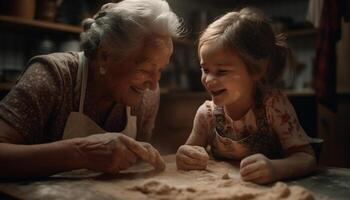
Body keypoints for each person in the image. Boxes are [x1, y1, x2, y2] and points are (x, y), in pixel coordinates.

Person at [0, 0, 183, 179]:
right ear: (105, 56)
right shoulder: (53, 76)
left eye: (160, 70)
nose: (153, 84)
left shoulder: (148, 95)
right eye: (145, 70)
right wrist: (80, 153)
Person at [176, 7, 316, 184]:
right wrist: (185, 155)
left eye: (222, 71)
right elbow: (190, 150)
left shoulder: (274, 106)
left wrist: (274, 169)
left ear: (256, 71)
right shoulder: (207, 115)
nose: (208, 79)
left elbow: (306, 157)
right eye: (205, 69)